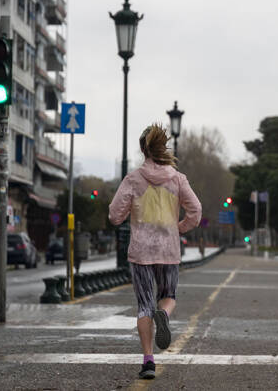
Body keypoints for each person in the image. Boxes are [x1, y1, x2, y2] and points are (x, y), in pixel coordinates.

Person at [109, 124, 202, 380]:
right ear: (163, 148)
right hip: (168, 250)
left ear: (143, 150)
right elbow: (195, 211)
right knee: (168, 296)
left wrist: (128, 213)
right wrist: (178, 228)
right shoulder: (178, 179)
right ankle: (165, 314)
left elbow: (115, 215)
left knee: (144, 306)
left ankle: (148, 361)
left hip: (141, 252)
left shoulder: (133, 179)